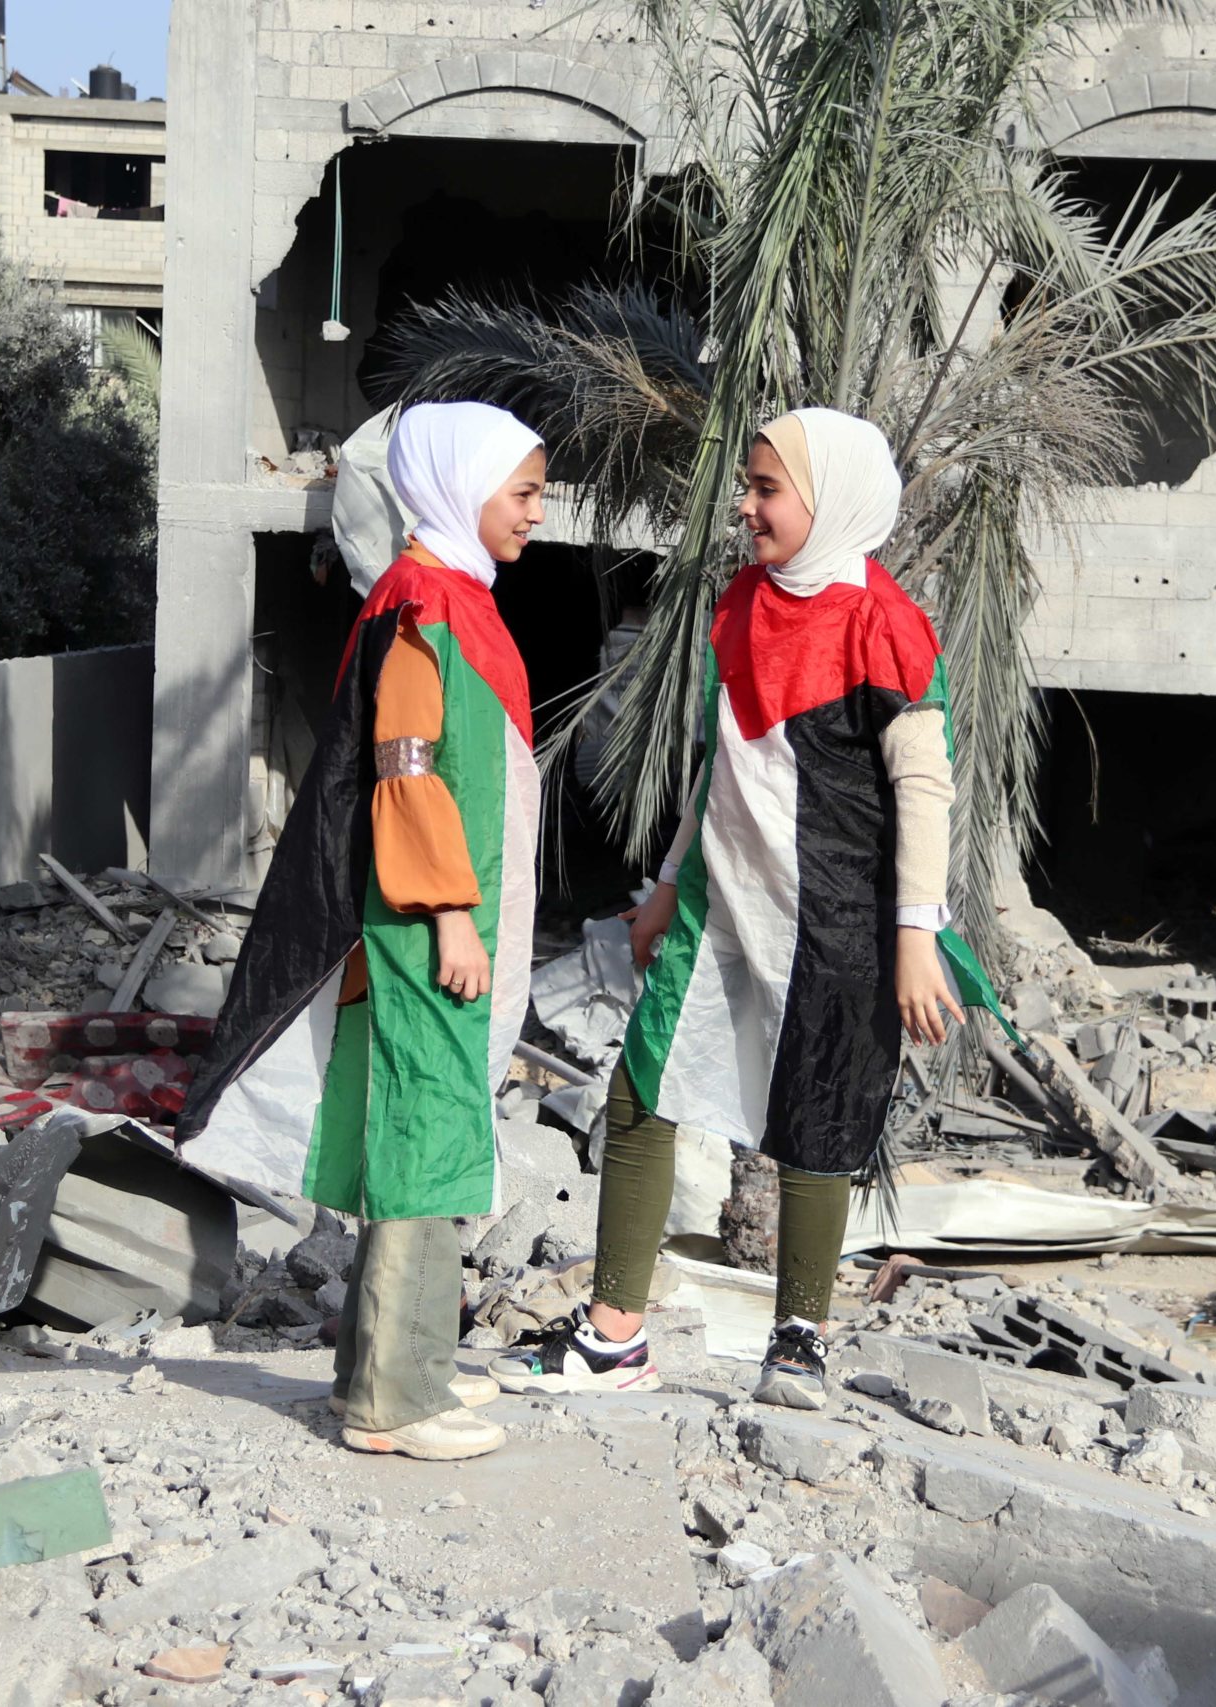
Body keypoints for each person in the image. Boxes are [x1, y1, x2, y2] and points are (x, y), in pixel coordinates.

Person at [490, 408, 1002, 1409]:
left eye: (767, 489)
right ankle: (613, 1336)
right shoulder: (740, 605)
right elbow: (719, 765)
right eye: (748, 486)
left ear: (832, 500)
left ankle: (799, 1342)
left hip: (838, 923)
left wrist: (916, 934)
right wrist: (666, 884)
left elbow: (925, 788)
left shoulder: (884, 625)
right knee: (643, 1094)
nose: (745, 506)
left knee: (815, 1113)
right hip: (719, 909)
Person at [175, 401, 548, 1461]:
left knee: (429, 1133)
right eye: (522, 492)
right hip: (428, 925)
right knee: (425, 1141)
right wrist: (450, 912)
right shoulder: (426, 604)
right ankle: (396, 1398)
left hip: (439, 918)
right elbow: (405, 768)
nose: (536, 512)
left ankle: (391, 1369)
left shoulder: (442, 595)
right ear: (459, 484)